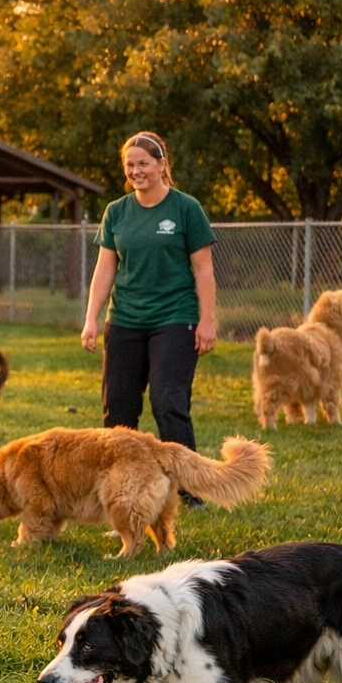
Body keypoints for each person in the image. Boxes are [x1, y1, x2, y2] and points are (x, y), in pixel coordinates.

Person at [80, 130, 217, 507]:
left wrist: (208, 320)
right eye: (130, 165)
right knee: (119, 408)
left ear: (161, 165)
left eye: (143, 163)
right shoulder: (116, 212)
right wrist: (91, 318)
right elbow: (105, 270)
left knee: (167, 400)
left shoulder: (185, 208)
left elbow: (203, 269)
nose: (136, 171)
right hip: (124, 320)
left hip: (175, 317)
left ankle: (192, 490)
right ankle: (121, 490)